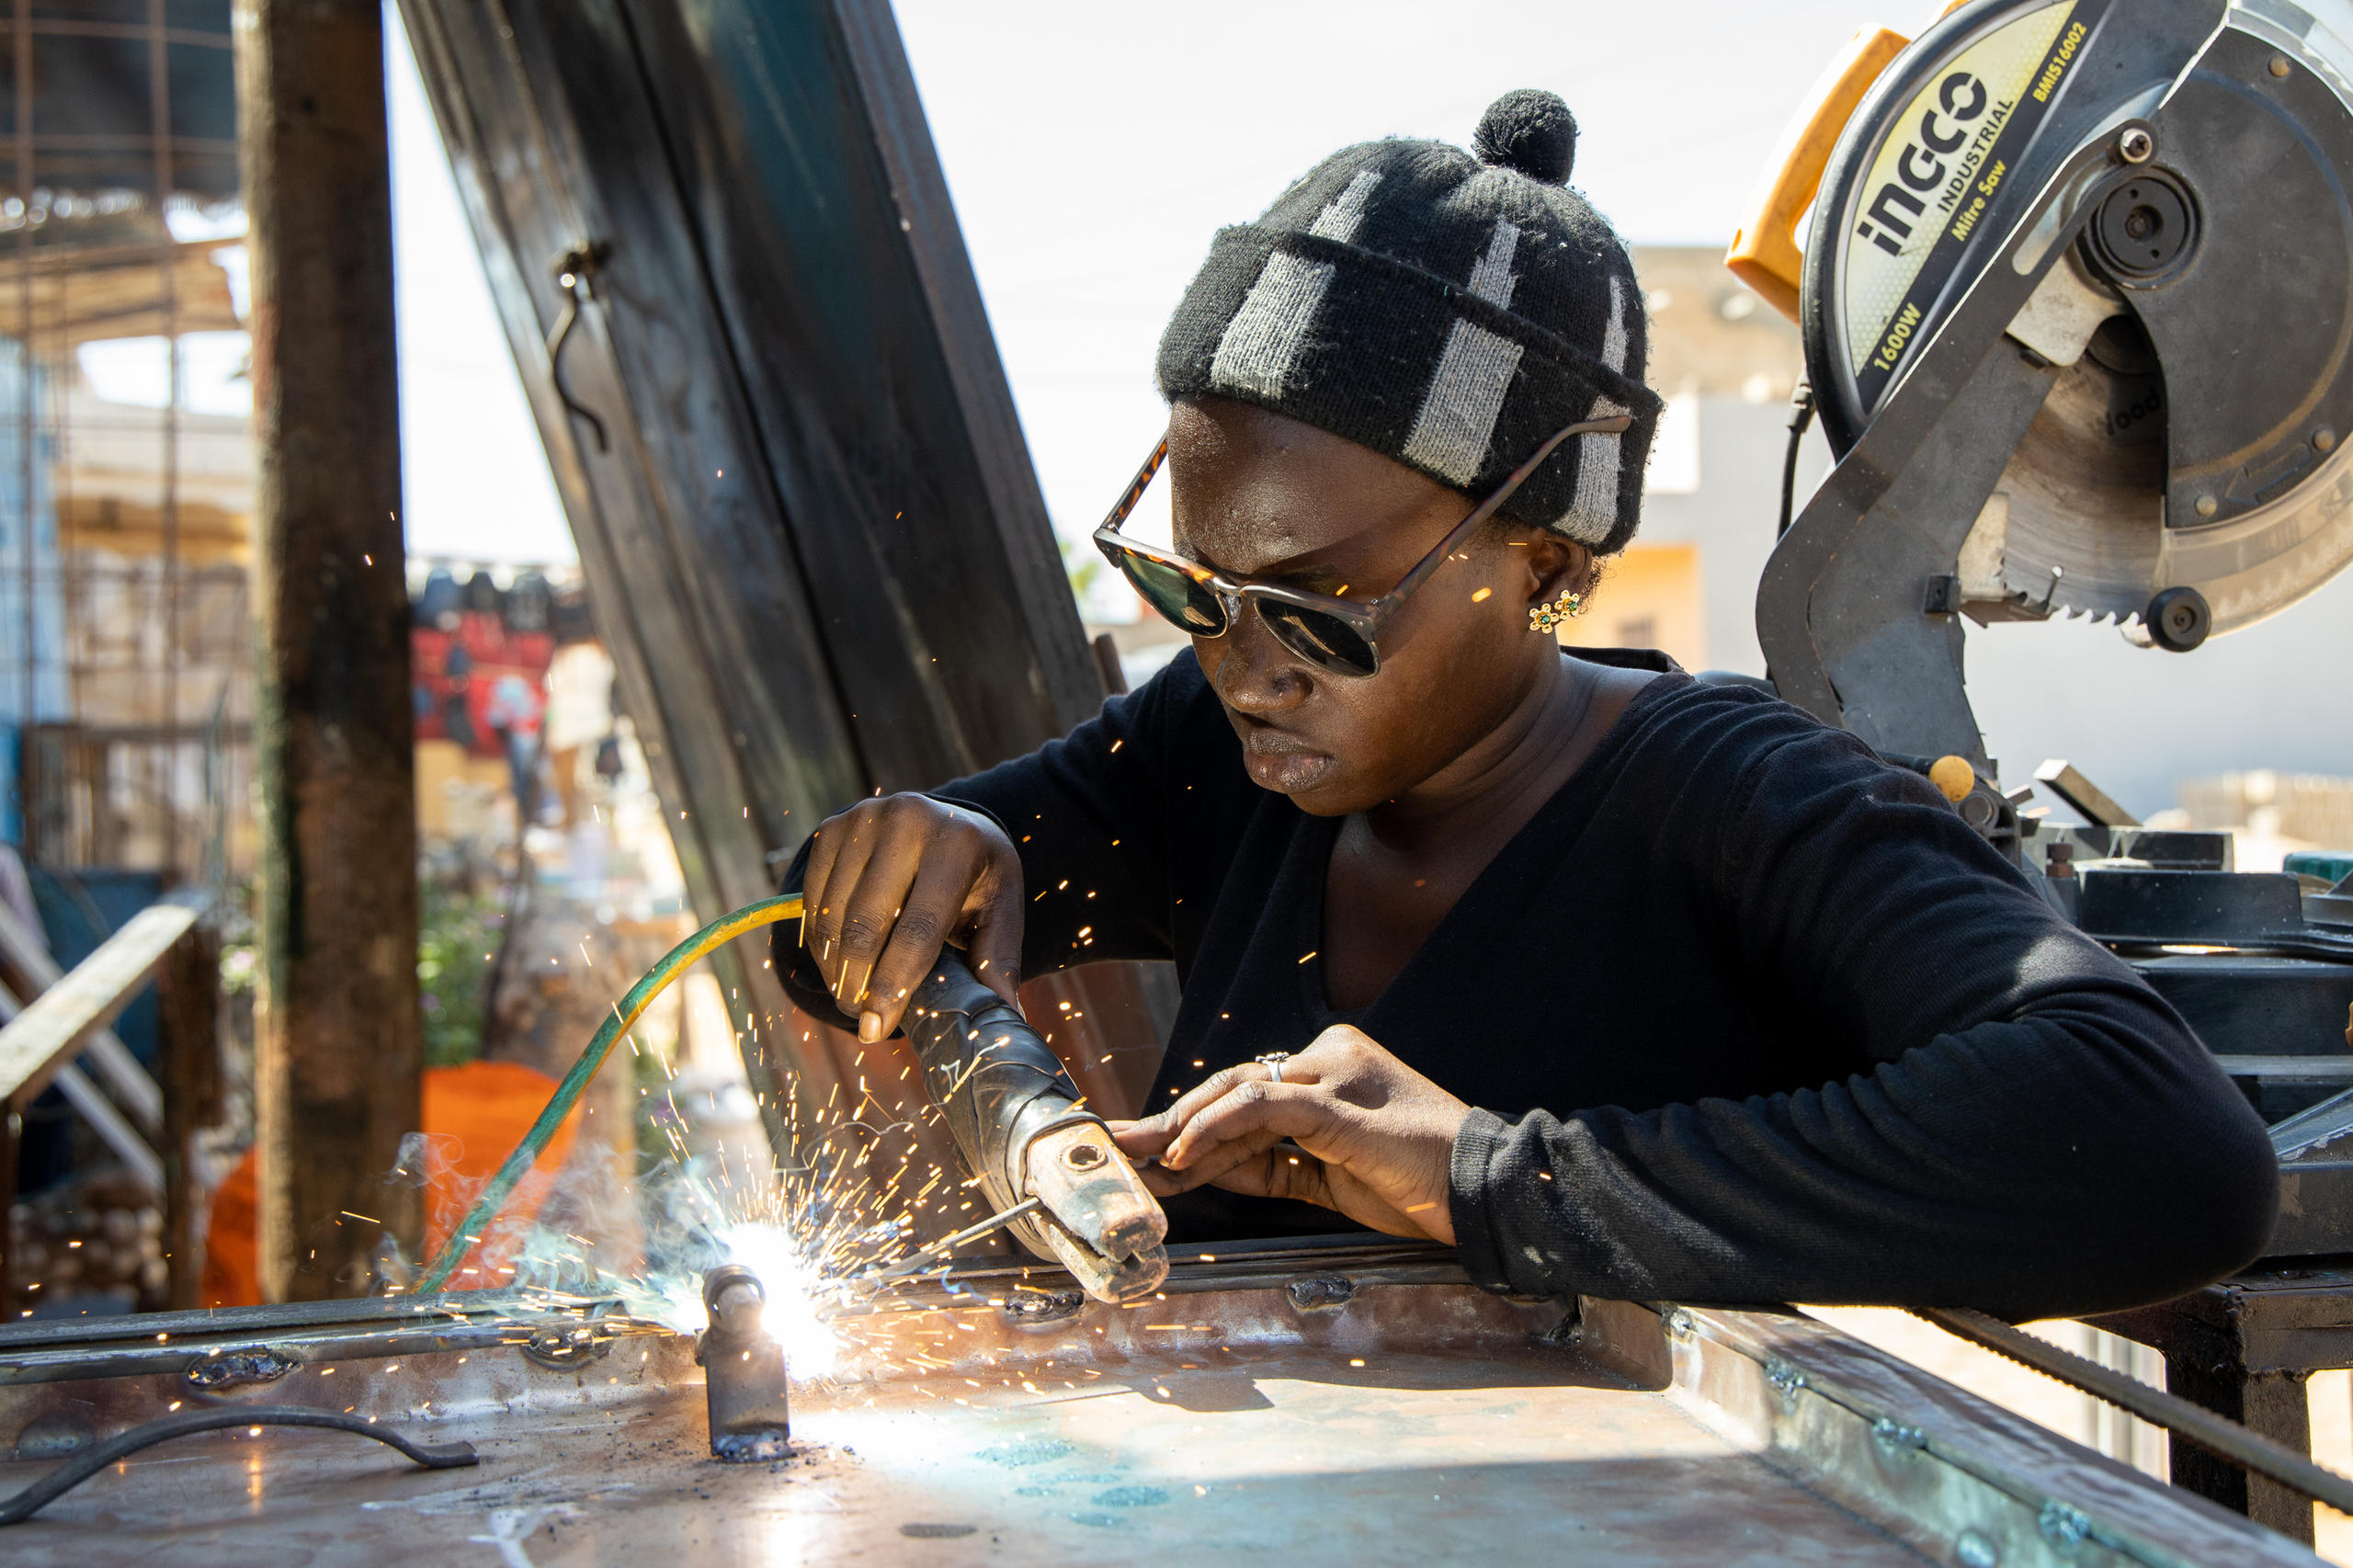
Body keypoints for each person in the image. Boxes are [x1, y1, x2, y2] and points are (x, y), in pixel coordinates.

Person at [772, 91, 2276, 1321]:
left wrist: (1495, 1179)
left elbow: (2165, 1150)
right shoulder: (1224, 753)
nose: (1243, 664)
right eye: (1195, 588)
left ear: (1542, 560)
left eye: (1313, 606)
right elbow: (827, 951)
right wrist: (918, 854)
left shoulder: (1743, 805)